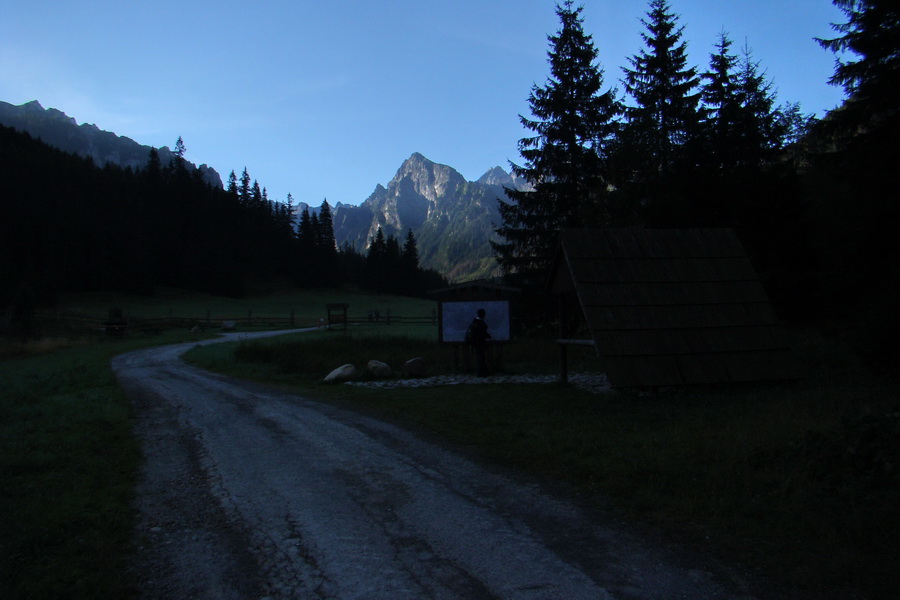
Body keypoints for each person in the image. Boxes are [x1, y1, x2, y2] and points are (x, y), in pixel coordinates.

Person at [466, 308, 491, 377]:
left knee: (480, 357)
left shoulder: (474, 322)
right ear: (484, 314)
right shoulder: (480, 323)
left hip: (475, 342)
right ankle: (481, 373)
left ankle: (483, 372)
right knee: (480, 357)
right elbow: (482, 333)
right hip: (479, 343)